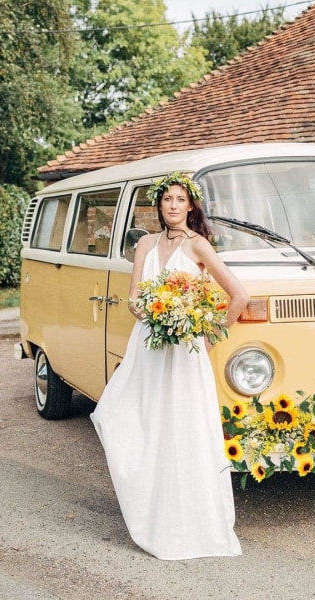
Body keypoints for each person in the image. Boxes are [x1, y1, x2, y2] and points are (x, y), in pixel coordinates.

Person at [90, 172, 249, 560]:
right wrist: (153, 311)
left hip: (184, 352)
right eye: (167, 200)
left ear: (191, 206)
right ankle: (149, 506)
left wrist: (207, 334)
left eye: (180, 200)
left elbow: (239, 296)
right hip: (147, 346)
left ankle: (186, 522)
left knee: (182, 427)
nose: (173, 206)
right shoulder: (144, 243)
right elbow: (132, 300)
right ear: (158, 206)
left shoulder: (199, 247)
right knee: (123, 416)